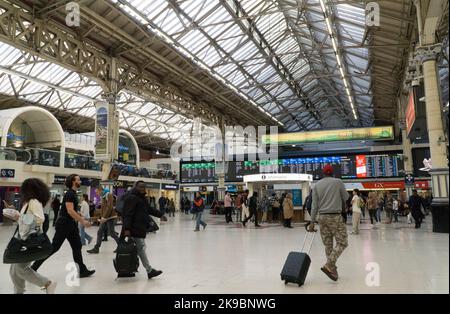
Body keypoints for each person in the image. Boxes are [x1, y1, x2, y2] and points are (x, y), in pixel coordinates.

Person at [31, 174, 95, 278]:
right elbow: (70, 211)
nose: (80, 181)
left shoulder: (73, 193)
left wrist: (80, 217)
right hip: (64, 224)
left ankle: (82, 270)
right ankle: (33, 267)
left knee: (77, 245)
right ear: (73, 182)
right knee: (54, 247)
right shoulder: (70, 194)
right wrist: (82, 221)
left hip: (70, 224)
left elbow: (72, 210)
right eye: (78, 180)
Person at [9, 178, 57, 294]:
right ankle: (19, 292)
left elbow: (39, 219)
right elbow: (25, 221)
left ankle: (47, 283)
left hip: (29, 241)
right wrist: (16, 214)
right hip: (22, 240)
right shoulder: (27, 203)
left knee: (20, 269)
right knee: (14, 270)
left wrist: (20, 217)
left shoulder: (34, 202)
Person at [308, 164, 348, 282]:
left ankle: (332, 269)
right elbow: (345, 197)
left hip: (322, 218)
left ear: (323, 173)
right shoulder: (338, 182)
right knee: (342, 242)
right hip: (335, 217)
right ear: (332, 173)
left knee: (328, 244)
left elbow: (314, 205)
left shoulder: (317, 185)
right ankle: (329, 265)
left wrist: (312, 222)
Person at [122, 181, 167, 279]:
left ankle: (130, 268)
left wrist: (160, 215)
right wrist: (127, 228)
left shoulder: (142, 198)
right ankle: (149, 270)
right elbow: (127, 214)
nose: (142, 189)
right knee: (141, 248)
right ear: (135, 187)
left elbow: (149, 209)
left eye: (144, 187)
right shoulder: (132, 198)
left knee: (140, 248)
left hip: (140, 228)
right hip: (134, 229)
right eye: (140, 187)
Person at [87, 187, 120, 254]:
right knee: (100, 232)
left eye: (97, 192)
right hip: (105, 218)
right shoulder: (103, 196)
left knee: (112, 233)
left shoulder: (108, 195)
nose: (96, 193)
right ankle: (96, 248)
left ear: (100, 190)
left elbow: (109, 206)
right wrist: (101, 217)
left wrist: (104, 217)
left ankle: (121, 246)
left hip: (110, 218)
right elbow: (103, 208)